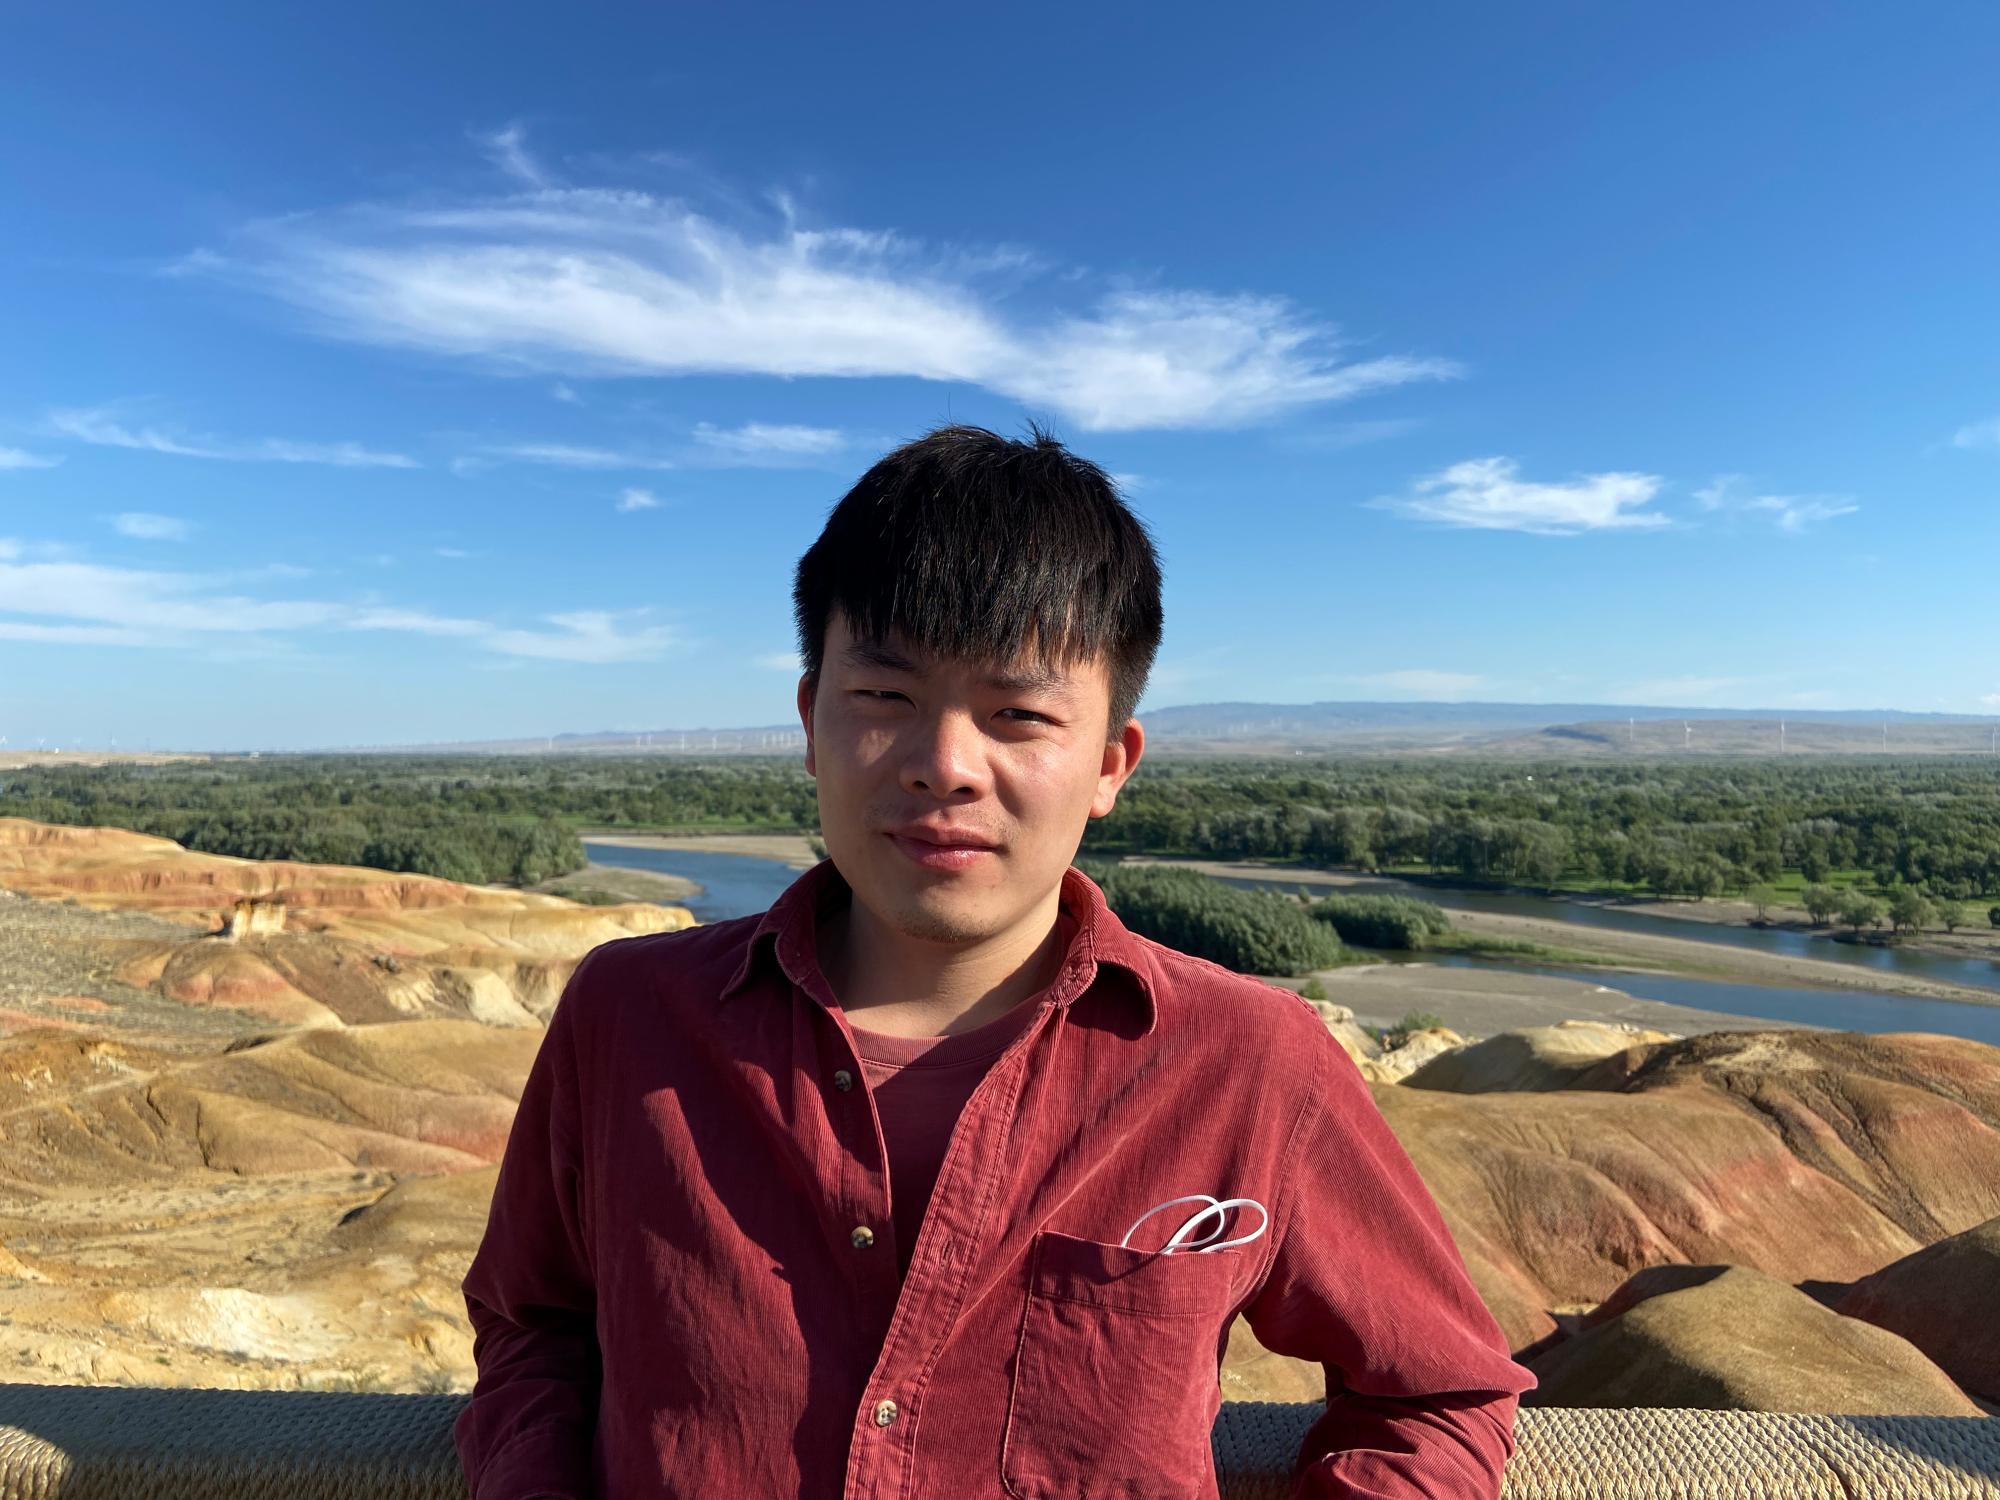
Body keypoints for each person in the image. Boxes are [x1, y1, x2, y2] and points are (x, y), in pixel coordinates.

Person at [453, 424, 1535, 1499]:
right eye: (885, 698)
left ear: (1109, 763)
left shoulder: (1249, 1062)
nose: (945, 767)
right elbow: (532, 1329)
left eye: (1018, 714)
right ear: (810, 722)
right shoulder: (629, 1017)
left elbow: (1438, 1398)